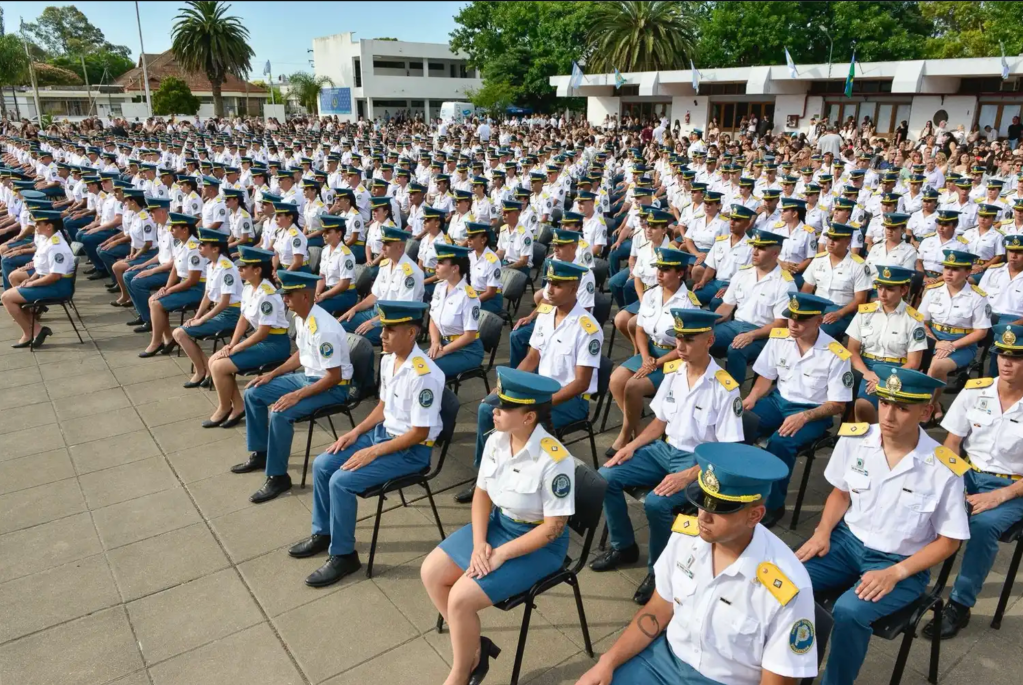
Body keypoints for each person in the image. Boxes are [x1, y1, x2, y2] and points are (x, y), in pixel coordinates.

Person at [576, 443, 818, 685]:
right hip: (664, 661)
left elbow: (777, 681)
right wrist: (606, 662)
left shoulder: (787, 588)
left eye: (720, 508)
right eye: (702, 501)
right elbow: (657, 611)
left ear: (754, 515)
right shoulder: (686, 537)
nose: (703, 515)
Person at [795, 366, 968, 685]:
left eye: (902, 407)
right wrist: (822, 531)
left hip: (899, 562)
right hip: (845, 543)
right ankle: (792, 671)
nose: (888, 415)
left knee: (849, 611)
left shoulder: (943, 468)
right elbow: (840, 493)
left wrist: (896, 573)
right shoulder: (856, 438)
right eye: (885, 403)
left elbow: (949, 541)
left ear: (926, 411)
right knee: (786, 580)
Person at [421, 368, 573, 685]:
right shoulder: (497, 441)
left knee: (460, 599)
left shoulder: (555, 460)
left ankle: (462, 671)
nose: (494, 410)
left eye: (504, 408)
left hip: (537, 544)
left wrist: (501, 553)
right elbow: (482, 493)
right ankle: (475, 648)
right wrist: (479, 543)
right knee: (431, 572)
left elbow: (552, 530)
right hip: (498, 525)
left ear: (529, 417)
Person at [592, 309, 744, 605]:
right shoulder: (674, 373)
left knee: (657, 503)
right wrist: (632, 445)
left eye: (689, 340)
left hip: (698, 460)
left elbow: (728, 451)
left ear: (710, 340)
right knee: (605, 475)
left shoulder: (725, 388)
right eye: (678, 340)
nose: (681, 347)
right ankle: (623, 546)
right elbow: (660, 422)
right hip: (663, 450)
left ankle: (658, 571)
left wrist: (688, 476)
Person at [292, 300, 445, 586]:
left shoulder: (425, 375)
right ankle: (324, 532)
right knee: (323, 464)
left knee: (341, 481)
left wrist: (372, 451)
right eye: (382, 328)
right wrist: (355, 432)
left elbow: (420, 433)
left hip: (411, 452)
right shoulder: (388, 360)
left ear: (412, 333)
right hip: (383, 435)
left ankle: (344, 555)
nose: (382, 335)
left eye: (389, 329)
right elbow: (383, 407)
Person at [455, 260, 600, 504]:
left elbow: (581, 383)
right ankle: (484, 476)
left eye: (557, 285)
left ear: (574, 288)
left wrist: (542, 403)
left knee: (513, 419)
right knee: (486, 408)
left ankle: (518, 485)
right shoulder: (545, 314)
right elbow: (533, 357)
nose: (549, 289)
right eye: (549, 283)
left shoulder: (588, 328)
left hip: (569, 399)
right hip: (537, 391)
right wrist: (508, 386)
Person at [923, 323, 1023, 639]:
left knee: (982, 525)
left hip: (1013, 487)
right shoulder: (976, 389)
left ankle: (959, 604)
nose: (1006, 362)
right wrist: (956, 478)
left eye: (1016, 357)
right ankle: (909, 582)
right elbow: (952, 443)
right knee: (923, 500)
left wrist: (1000, 496)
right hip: (968, 473)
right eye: (1002, 355)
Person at [231, 270, 353, 504]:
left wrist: (296, 395)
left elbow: (334, 377)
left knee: (280, 412)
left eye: (289, 295)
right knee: (254, 392)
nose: (284, 299)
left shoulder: (323, 328)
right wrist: (273, 374)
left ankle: (278, 476)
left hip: (332, 387)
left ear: (305, 297)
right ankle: (261, 453)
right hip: (309, 378)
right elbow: (302, 355)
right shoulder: (300, 317)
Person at [743, 292, 853, 528]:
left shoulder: (836, 353)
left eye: (801, 319)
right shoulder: (779, 338)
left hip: (813, 411)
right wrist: (751, 397)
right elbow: (765, 377)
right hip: (778, 400)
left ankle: (773, 504)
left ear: (819, 321)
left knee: (781, 442)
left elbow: (838, 405)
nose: (793, 324)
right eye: (791, 317)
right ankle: (739, 488)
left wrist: (804, 416)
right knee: (741, 423)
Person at [608, 247, 699, 452]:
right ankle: (638, 431)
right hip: (651, 352)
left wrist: (655, 363)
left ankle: (625, 436)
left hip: (676, 359)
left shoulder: (689, 304)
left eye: (666, 269)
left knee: (632, 386)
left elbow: (687, 347)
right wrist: (646, 357)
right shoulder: (650, 295)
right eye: (658, 268)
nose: (659, 273)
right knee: (616, 380)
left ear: (680, 273)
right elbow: (640, 329)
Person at [204, 246, 291, 428]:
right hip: (260, 340)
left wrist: (237, 348)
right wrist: (232, 344)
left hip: (274, 344)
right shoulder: (248, 288)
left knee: (219, 366)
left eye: (244, 267)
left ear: (257, 270)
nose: (240, 269)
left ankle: (224, 407)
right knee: (214, 360)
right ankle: (237, 406)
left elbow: (263, 332)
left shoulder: (267, 294)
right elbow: (243, 319)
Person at [710, 228, 797, 385]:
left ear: (775, 254)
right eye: (754, 246)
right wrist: (707, 324)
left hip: (764, 334)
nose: (755, 252)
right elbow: (726, 306)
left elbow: (780, 324)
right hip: (734, 326)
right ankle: (704, 388)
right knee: (700, 339)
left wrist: (751, 335)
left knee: (736, 350)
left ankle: (732, 394)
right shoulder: (742, 274)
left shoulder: (785, 283)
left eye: (761, 248)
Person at [845, 265, 928, 423]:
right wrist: (867, 374)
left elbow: (914, 362)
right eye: (880, 287)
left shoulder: (913, 320)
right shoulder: (865, 313)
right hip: (866, 367)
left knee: (880, 409)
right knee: (862, 406)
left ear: (903, 291)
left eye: (889, 289)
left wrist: (884, 378)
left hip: (897, 371)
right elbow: (852, 350)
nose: (882, 293)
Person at [919, 249, 992, 419]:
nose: (949, 273)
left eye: (955, 269)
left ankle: (925, 409)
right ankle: (935, 405)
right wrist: (936, 343)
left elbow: (981, 332)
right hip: (933, 340)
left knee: (936, 366)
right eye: (946, 268)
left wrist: (952, 345)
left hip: (962, 344)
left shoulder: (977, 297)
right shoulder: (933, 291)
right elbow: (921, 322)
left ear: (967, 272)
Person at [172, 228, 244, 388]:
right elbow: (207, 295)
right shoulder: (211, 265)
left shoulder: (227, 268)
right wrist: (197, 316)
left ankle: (201, 371)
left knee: (180, 333)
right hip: (220, 311)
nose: (199, 248)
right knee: (180, 332)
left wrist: (202, 319)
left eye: (203, 245)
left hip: (231, 314)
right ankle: (206, 368)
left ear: (215, 248)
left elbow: (225, 302)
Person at [339, 226, 424, 345]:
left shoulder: (411, 273)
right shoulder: (385, 265)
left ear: (400, 247)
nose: (382, 248)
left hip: (395, 322)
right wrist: (354, 309)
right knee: (339, 328)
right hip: (376, 314)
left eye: (387, 245)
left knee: (357, 339)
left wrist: (373, 323)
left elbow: (402, 309)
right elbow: (375, 295)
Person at [1, 209, 73, 348]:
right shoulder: (48, 240)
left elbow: (55, 276)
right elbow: (42, 268)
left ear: (49, 226)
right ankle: (35, 330)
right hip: (49, 283)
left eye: (38, 223)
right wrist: (30, 279)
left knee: (7, 298)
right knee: (10, 294)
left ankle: (31, 332)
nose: (35, 226)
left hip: (57, 287)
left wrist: (32, 283)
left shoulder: (55, 246)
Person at [139, 213, 207, 358]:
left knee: (157, 303)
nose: (171, 230)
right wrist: (166, 287)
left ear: (185, 229)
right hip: (185, 285)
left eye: (174, 227)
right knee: (153, 299)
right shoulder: (180, 244)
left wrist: (170, 290)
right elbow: (175, 269)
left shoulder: (194, 247)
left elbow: (193, 280)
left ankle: (156, 342)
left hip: (198, 288)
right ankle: (168, 339)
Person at [801, 222, 872, 339]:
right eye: (829, 238)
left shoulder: (858, 265)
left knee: (817, 333)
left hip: (842, 311)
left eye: (836, 239)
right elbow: (806, 289)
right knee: (796, 327)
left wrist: (839, 314)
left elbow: (860, 299)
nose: (830, 243)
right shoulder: (819, 260)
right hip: (817, 307)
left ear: (848, 241)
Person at [428, 242, 485, 377]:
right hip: (443, 343)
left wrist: (443, 351)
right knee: (412, 364)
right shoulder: (440, 287)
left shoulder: (468, 296)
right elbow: (433, 319)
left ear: (455, 268)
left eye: (441, 263)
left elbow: (469, 336)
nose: (436, 266)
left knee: (426, 371)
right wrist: (435, 342)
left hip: (467, 351)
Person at [313, 215, 357, 316]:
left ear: (339, 234)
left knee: (318, 308)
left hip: (346, 294)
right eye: (323, 231)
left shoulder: (345, 255)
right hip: (330, 291)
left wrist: (323, 295)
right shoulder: (325, 251)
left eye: (328, 232)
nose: (323, 235)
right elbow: (322, 276)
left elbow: (344, 284)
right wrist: (317, 293)